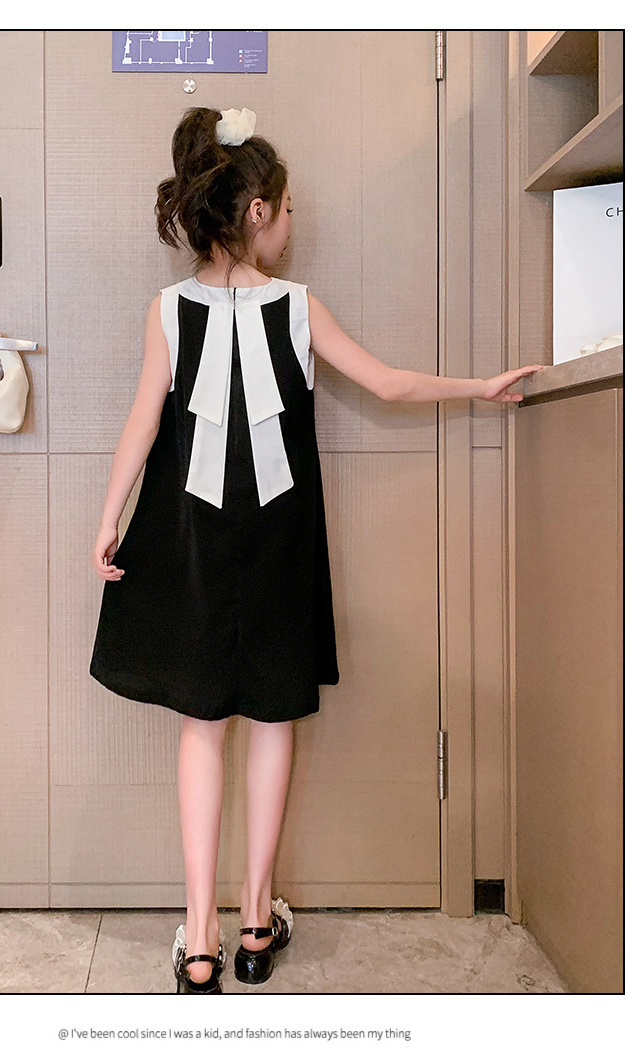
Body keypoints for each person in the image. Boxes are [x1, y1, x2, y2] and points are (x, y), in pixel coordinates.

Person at [89, 106, 544, 994]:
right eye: (288, 207)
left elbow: (141, 423)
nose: (294, 223)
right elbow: (386, 382)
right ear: (258, 212)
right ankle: (256, 925)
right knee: (271, 719)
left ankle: (198, 941)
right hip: (280, 537)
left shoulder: (167, 311)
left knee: (201, 725)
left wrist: (109, 516)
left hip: (190, 536)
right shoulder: (297, 308)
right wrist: (479, 387)